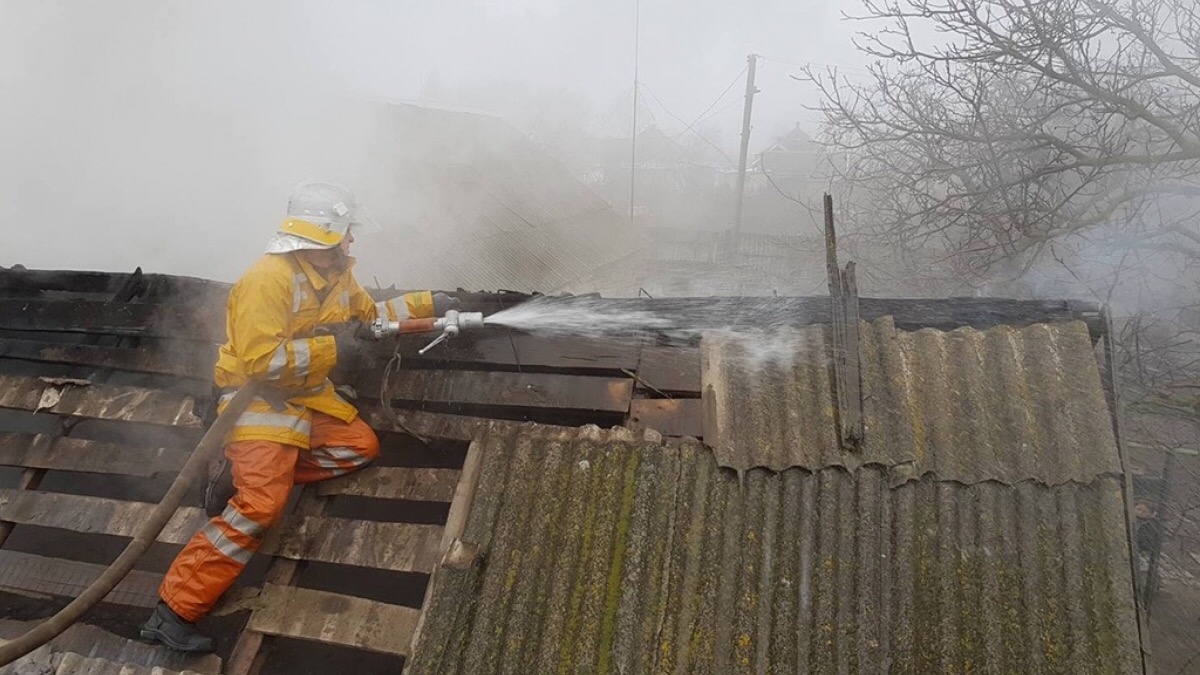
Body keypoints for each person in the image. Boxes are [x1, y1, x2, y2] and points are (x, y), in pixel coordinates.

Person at [141, 181, 457, 652]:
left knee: (360, 447)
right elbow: (260, 363)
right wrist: (335, 346)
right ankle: (175, 610)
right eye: (346, 233)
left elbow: (369, 319)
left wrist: (429, 306)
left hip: (304, 399)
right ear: (324, 234)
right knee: (261, 507)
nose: (352, 241)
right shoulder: (266, 281)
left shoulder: (335, 275)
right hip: (256, 404)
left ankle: (241, 479)